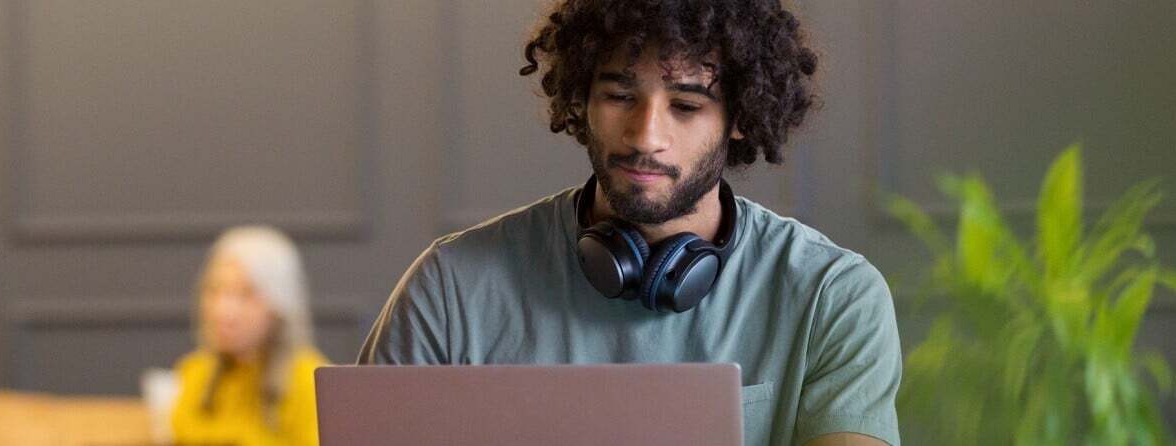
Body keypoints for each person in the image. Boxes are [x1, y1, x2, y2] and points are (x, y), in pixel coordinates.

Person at [358, 1, 902, 445]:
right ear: (582, 100)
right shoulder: (449, 287)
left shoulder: (833, 295)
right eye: (620, 96)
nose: (645, 136)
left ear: (740, 117)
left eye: (686, 106)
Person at [169, 226, 327, 446]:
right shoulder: (195, 374)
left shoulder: (310, 382)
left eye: (246, 294)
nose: (223, 311)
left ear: (279, 306)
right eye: (215, 290)